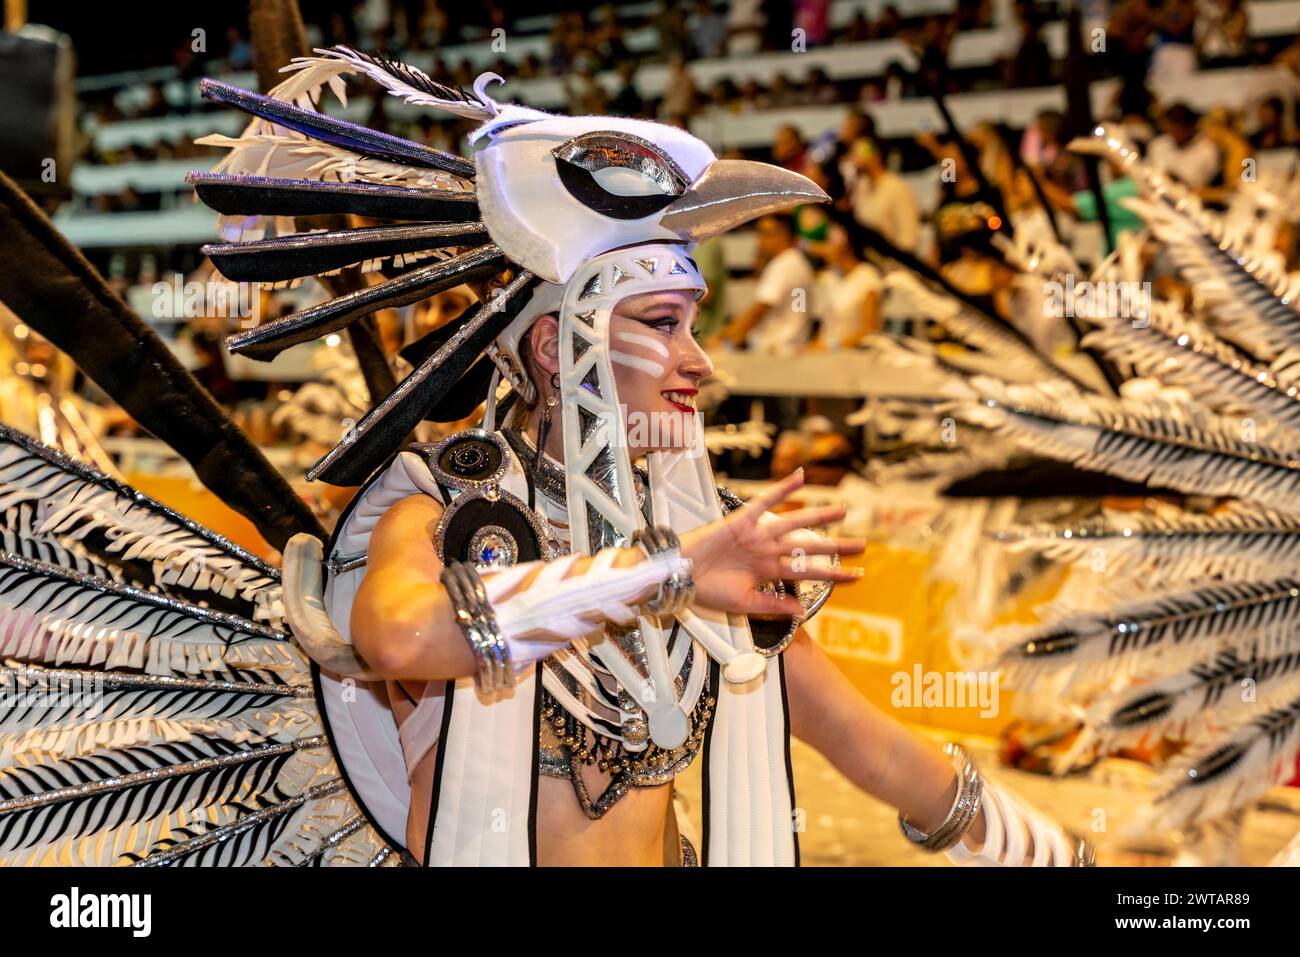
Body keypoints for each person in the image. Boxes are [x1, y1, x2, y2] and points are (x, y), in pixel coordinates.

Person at [0, 42, 1092, 870]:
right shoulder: (443, 505)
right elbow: (399, 634)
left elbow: (889, 761)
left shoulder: (714, 570)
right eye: (662, 322)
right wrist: (666, 575)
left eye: (692, 324)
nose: (699, 364)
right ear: (553, 341)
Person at [716, 212, 817, 354]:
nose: (760, 240)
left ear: (783, 235)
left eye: (765, 233)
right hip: (793, 346)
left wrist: (725, 339)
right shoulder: (798, 262)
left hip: (776, 350)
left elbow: (759, 310)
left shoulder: (782, 264)